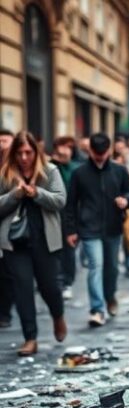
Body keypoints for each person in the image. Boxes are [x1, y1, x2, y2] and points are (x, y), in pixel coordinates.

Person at [0, 131, 67, 356]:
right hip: (15, 243)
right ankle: (30, 338)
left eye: (28, 152)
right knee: (22, 290)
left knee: (50, 287)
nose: (24, 157)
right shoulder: (6, 174)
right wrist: (15, 195)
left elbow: (60, 200)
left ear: (35, 152)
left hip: (45, 240)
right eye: (19, 153)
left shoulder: (49, 171)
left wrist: (37, 192)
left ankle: (58, 315)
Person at [65, 132, 129, 326]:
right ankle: (97, 309)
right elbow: (71, 203)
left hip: (113, 226)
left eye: (103, 153)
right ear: (90, 151)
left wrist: (126, 200)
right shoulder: (79, 173)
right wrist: (71, 230)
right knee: (96, 266)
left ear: (109, 150)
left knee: (111, 268)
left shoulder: (119, 171)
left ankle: (110, 296)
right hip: (88, 228)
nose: (100, 157)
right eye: (96, 153)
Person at [50, 136, 82, 300]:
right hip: (53, 213)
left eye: (68, 147)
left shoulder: (76, 167)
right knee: (55, 249)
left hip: (71, 213)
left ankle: (67, 282)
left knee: (69, 249)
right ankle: (58, 280)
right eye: (61, 147)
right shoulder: (50, 166)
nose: (64, 151)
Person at [0, 127, 15, 329]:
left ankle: (4, 312)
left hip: (9, 226)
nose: (2, 145)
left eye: (5, 141)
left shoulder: (16, 167)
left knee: (5, 273)